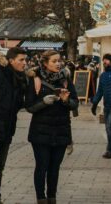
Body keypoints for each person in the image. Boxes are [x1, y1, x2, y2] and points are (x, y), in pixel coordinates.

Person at [26, 50, 76, 204]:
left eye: (59, 61)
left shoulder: (66, 79)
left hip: (61, 130)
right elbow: (29, 106)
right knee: (42, 166)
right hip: (41, 131)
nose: (58, 63)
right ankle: (41, 198)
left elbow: (75, 104)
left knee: (55, 168)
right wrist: (43, 102)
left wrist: (66, 100)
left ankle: (52, 198)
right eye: (54, 61)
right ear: (45, 63)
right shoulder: (36, 79)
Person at [0, 47, 29, 204]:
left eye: (25, 60)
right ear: (11, 60)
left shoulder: (18, 76)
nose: (25, 63)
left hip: (7, 127)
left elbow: (18, 103)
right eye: (21, 60)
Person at [89, 54, 111, 159]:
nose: (105, 62)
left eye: (107, 60)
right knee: (109, 127)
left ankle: (110, 150)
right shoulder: (103, 75)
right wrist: (94, 104)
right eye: (103, 60)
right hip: (107, 105)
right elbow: (100, 91)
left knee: (109, 127)